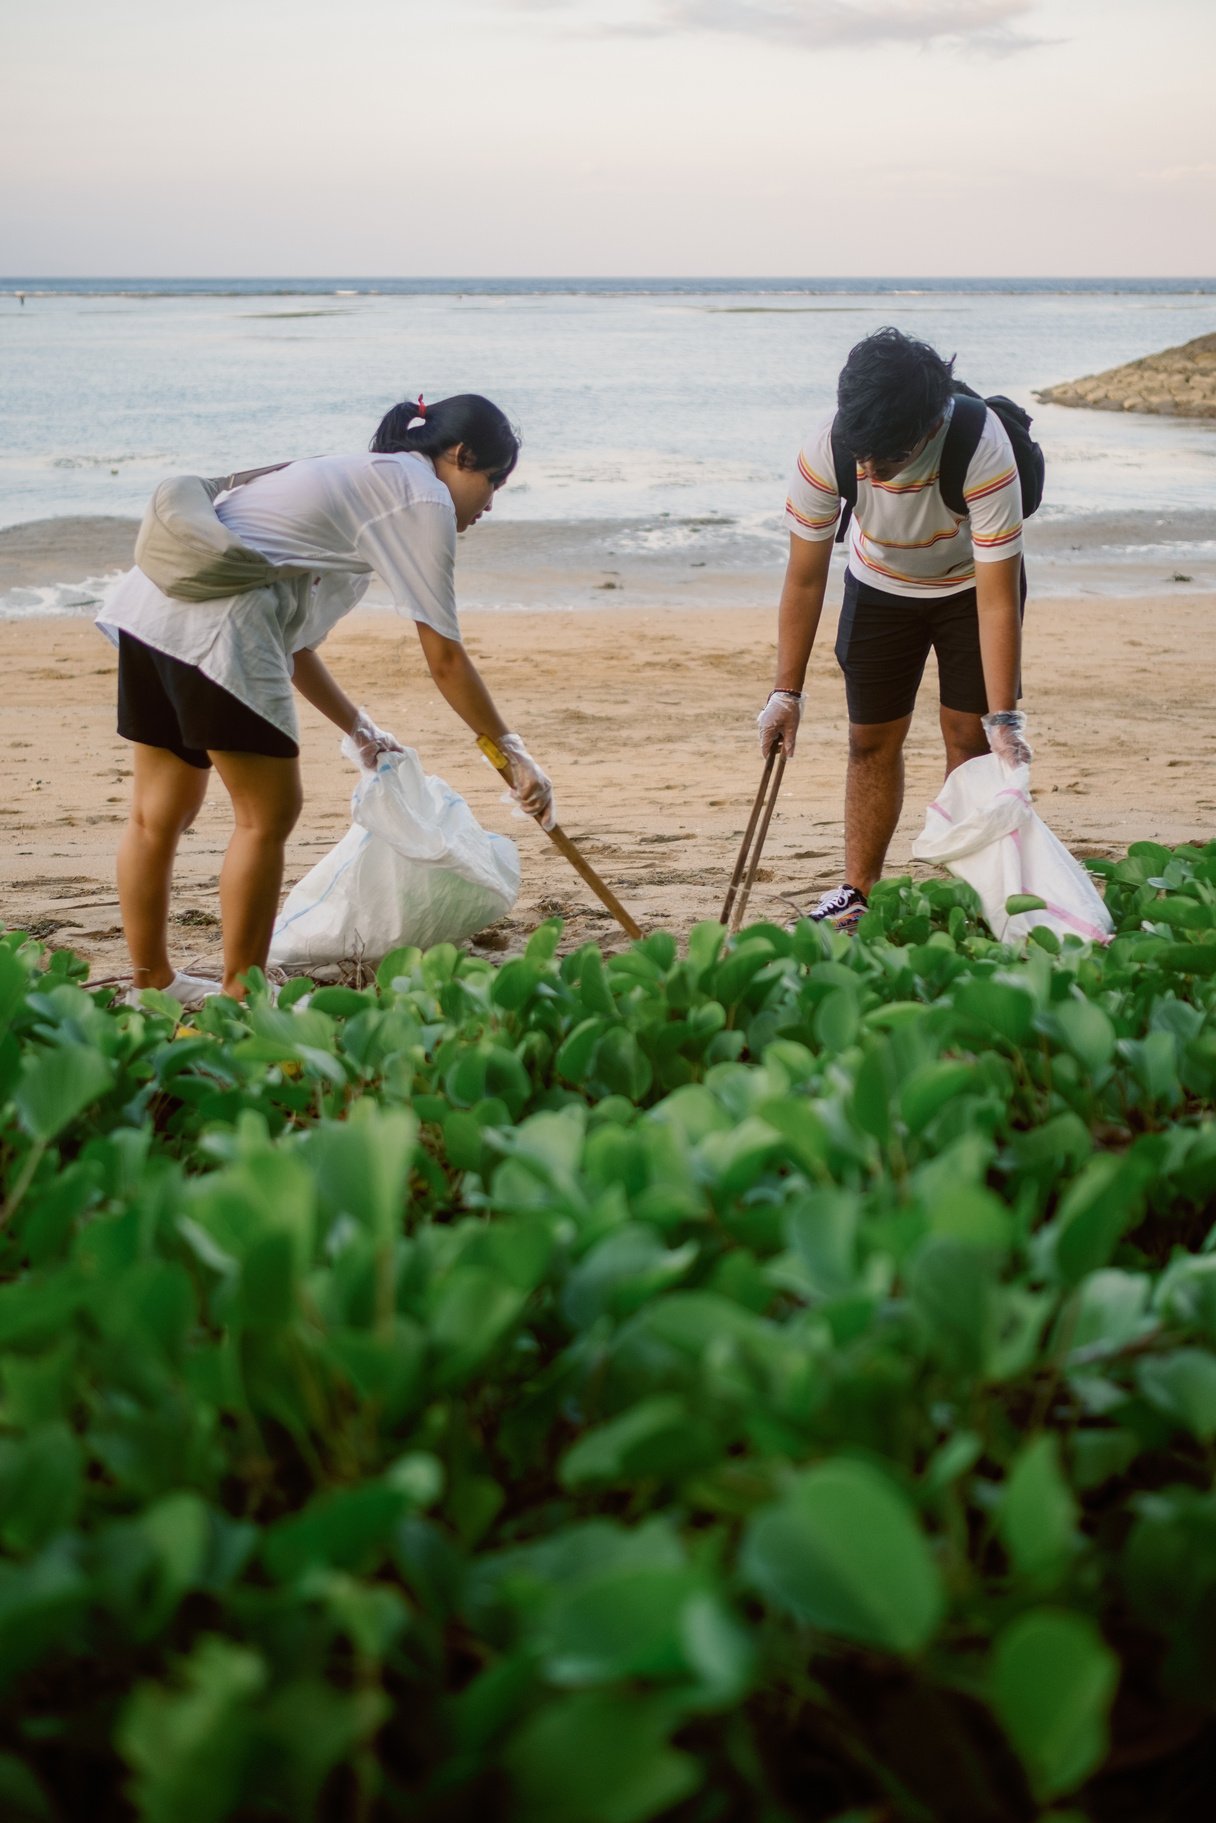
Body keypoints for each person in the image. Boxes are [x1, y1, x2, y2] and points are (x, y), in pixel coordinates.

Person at [97, 393, 554, 1004]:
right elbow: (444, 657)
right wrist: (512, 752)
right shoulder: (421, 496)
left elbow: (297, 647)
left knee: (158, 815)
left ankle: (150, 983)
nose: (491, 503)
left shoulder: (360, 485)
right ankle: (242, 997)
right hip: (218, 626)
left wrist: (360, 728)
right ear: (459, 455)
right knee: (268, 816)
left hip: (151, 610)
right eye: (494, 481)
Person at [758, 327, 1032, 933]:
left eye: (886, 459)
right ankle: (857, 890)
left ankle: (977, 894)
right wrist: (786, 693)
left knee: (969, 739)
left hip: (970, 589)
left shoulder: (980, 445)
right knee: (870, 739)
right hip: (879, 583)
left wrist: (1004, 716)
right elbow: (804, 581)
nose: (868, 472)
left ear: (928, 426)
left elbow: (996, 599)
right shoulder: (827, 451)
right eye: (861, 454)